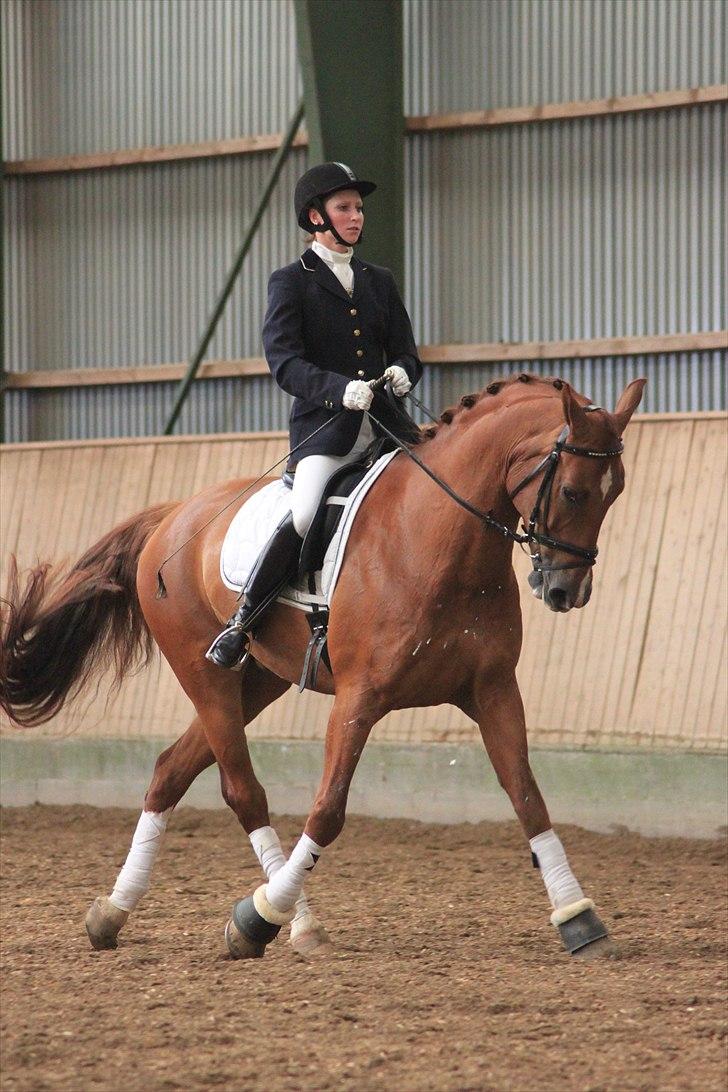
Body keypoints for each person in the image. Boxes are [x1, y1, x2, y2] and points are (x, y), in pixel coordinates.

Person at [206, 161, 423, 669]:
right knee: (305, 513)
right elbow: (284, 362)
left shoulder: (379, 280)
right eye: (344, 207)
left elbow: (408, 351)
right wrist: (337, 390)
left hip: (390, 429)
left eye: (359, 208)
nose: (356, 217)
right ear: (316, 216)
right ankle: (244, 620)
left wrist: (402, 374)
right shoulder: (290, 282)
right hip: (328, 432)